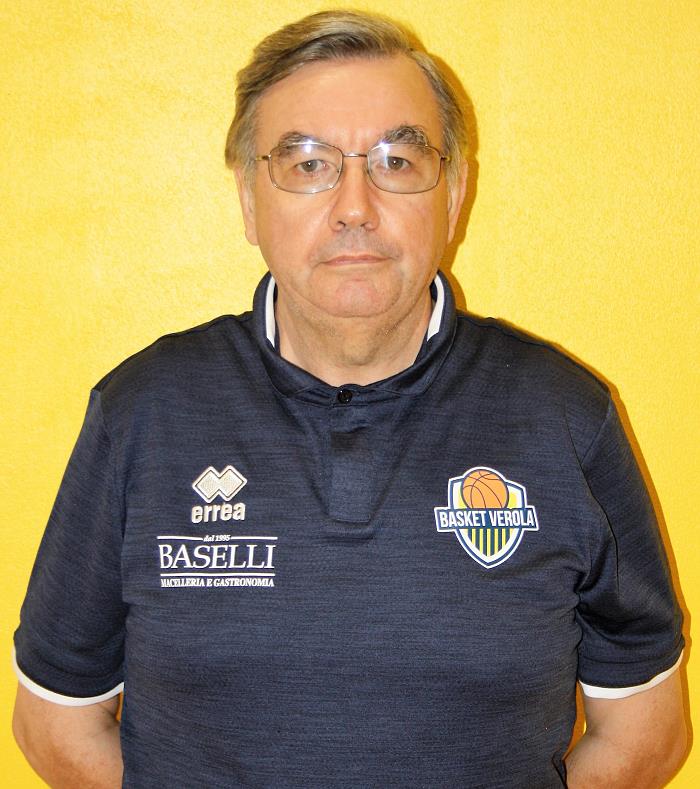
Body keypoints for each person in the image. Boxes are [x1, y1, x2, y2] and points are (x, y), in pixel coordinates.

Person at [12, 10, 686, 788]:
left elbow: (645, 734)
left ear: (455, 193)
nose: (356, 206)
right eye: (308, 164)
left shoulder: (565, 416)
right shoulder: (142, 413)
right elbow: (55, 721)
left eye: (397, 160)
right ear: (248, 198)